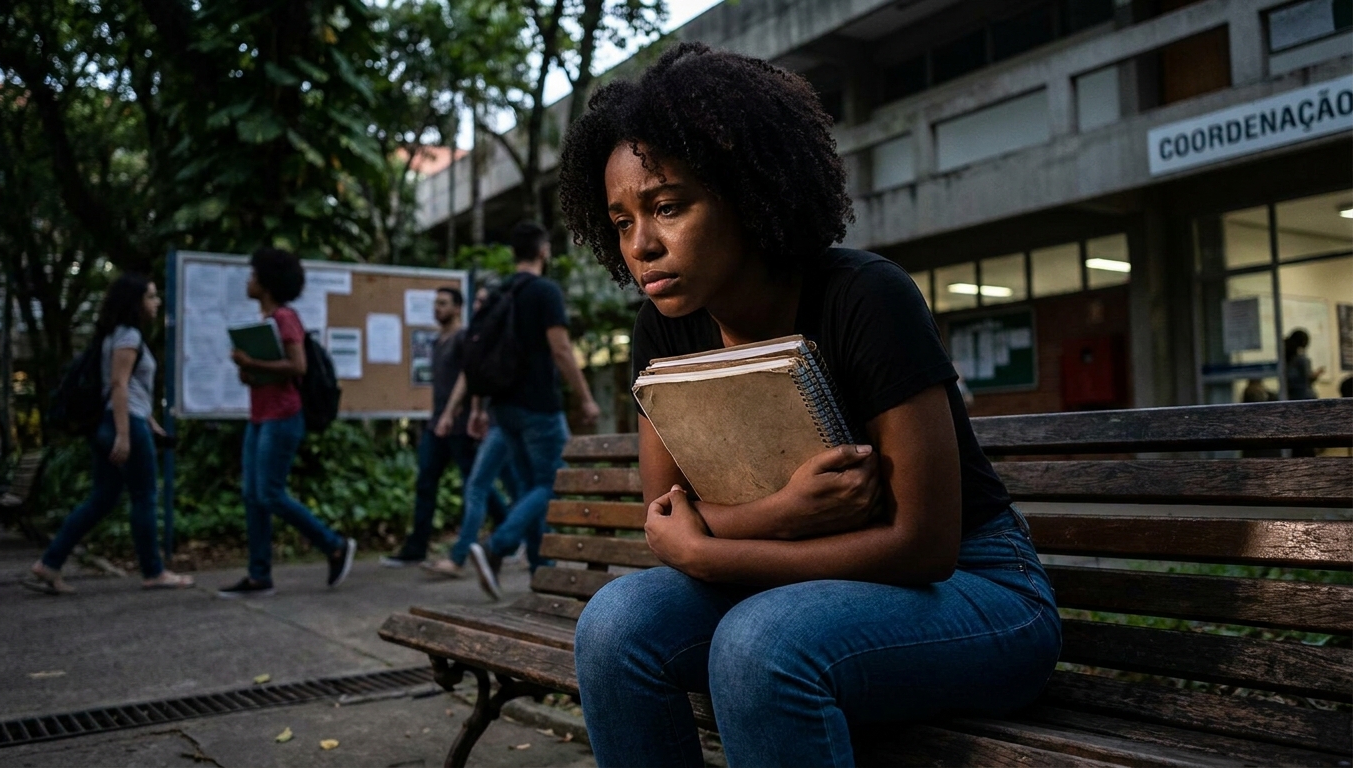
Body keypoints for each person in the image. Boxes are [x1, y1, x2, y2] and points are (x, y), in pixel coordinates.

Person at [557, 43, 1061, 767]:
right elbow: (670, 519)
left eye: (667, 207)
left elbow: (925, 544)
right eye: (621, 221)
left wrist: (711, 547)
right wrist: (779, 516)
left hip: (977, 593)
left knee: (761, 645)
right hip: (795, 577)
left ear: (745, 192)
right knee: (613, 626)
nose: (643, 246)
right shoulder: (665, 326)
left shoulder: (867, 299)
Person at [26, 274, 194, 594]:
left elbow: (129, 389)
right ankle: (153, 572)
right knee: (144, 496)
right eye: (151, 297)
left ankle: (49, 564)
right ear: (135, 303)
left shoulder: (115, 335)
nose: (156, 303)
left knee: (102, 498)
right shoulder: (128, 336)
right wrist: (124, 434)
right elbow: (118, 385)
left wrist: (150, 423)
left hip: (118, 422)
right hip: (121, 423)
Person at [465, 221, 602, 600]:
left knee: (529, 488)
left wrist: (478, 407)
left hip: (502, 406)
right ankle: (497, 545)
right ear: (543, 251)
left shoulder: (499, 291)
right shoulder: (544, 291)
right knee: (553, 482)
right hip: (538, 405)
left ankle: (543, 574)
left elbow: (476, 355)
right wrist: (585, 397)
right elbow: (560, 349)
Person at [218, 248, 356, 598]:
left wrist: (252, 361)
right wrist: (248, 370)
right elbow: (268, 373)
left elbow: (298, 367)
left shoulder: (284, 318)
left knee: (269, 492)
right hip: (260, 415)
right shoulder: (265, 321)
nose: (248, 281)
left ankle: (335, 544)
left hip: (284, 415)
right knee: (252, 496)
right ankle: (259, 575)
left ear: (266, 282)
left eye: (253, 276)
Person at [381, 287, 510, 569]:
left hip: (460, 426)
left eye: (443, 304)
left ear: (457, 307)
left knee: (476, 485)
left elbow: (468, 377)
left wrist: (455, 413)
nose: (437, 308)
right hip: (437, 423)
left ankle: (506, 534)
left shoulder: (463, 337)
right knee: (428, 481)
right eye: (435, 303)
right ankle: (417, 546)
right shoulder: (439, 341)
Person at [421, 283, 525, 578]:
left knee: (483, 486)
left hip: (508, 420)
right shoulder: (485, 334)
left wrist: (453, 412)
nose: (477, 306)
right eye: (475, 301)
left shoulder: (497, 333)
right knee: (520, 488)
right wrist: (476, 411)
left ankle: (463, 556)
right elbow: (477, 378)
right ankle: (529, 547)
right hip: (495, 420)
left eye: (482, 300)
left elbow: (469, 377)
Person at [1283, 329, 1323, 400]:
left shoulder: (1286, 357)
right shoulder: (1301, 358)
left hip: (1291, 396)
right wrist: (1318, 373)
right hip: (1305, 396)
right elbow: (1308, 378)